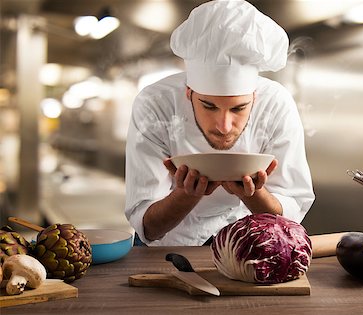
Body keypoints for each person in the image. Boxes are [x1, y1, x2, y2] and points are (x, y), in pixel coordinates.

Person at [125, 0, 314, 246]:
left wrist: (255, 194)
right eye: (209, 106)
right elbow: (148, 226)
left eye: (239, 108)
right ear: (188, 92)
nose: (224, 125)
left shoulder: (276, 104)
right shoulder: (154, 103)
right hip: (168, 247)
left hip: (248, 243)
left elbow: (290, 220)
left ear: (254, 97)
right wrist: (185, 195)